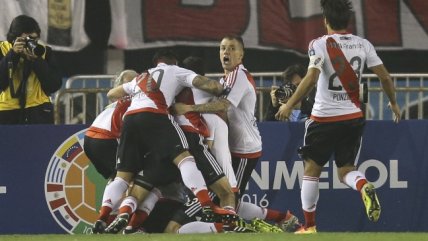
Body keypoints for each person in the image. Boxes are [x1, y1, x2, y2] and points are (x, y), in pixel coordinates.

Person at [275, 0, 401, 234]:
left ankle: (309, 226)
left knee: (311, 171)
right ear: (348, 20)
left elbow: (311, 77)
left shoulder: (319, 44)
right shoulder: (363, 45)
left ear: (325, 20)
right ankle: (363, 185)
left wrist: (289, 104)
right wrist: (393, 103)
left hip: (323, 119)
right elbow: (384, 77)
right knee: (345, 171)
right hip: (353, 117)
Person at [103, 49, 237, 234]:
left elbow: (112, 93)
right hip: (188, 138)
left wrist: (135, 99)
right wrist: (222, 90)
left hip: (160, 142)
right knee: (225, 192)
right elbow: (221, 101)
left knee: (143, 189)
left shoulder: (148, 78)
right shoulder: (184, 76)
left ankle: (128, 222)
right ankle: (224, 224)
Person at [173, 37, 299, 231]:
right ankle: (281, 218)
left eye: (232, 49)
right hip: (235, 146)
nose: (227, 52)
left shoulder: (239, 75)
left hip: (244, 148)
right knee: (229, 197)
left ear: (241, 54)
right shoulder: (225, 80)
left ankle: (266, 221)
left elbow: (223, 105)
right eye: (223, 48)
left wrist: (189, 108)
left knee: (227, 195)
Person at [83, 70, 138, 233]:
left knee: (115, 179)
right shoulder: (132, 101)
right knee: (131, 179)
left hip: (89, 140)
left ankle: (105, 219)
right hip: (105, 140)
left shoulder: (114, 103)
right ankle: (125, 222)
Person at [0, 15, 62, 124]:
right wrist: (13, 55)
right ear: (14, 38)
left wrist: (37, 61)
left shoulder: (44, 51)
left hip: (39, 110)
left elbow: (54, 85)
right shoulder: (2, 49)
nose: (30, 43)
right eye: (26, 39)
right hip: (6, 111)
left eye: (33, 39)